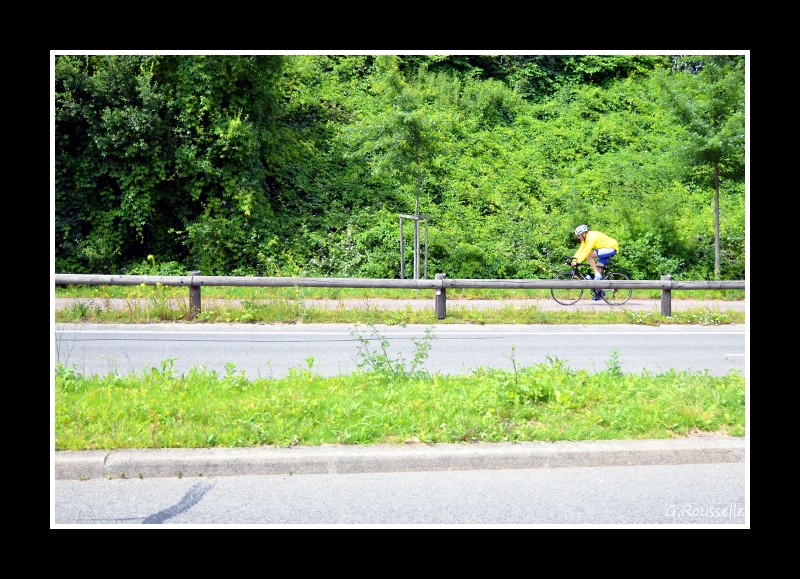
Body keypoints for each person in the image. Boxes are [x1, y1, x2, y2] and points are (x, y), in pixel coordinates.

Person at [568, 224, 619, 301]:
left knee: (589, 255)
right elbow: (580, 250)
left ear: (584, 233)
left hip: (611, 248)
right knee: (597, 276)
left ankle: (597, 273)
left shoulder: (591, 237)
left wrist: (578, 262)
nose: (578, 237)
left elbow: (586, 251)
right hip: (604, 250)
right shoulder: (585, 240)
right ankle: (600, 293)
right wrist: (573, 261)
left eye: (579, 235)